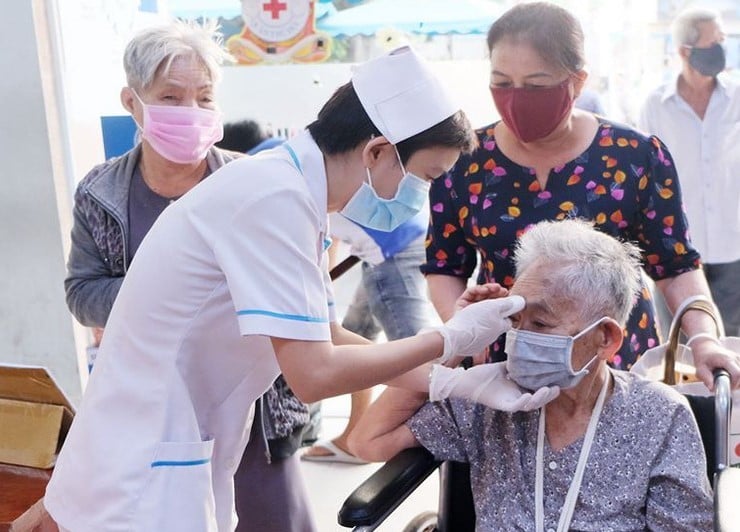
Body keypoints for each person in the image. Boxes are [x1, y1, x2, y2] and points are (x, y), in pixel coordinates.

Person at [44, 45, 559, 531]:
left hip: (167, 445)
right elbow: (313, 374)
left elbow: (326, 333)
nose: (419, 196)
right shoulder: (275, 197)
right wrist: (451, 339)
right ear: (378, 151)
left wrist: (450, 381)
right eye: (425, 176)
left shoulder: (291, 191)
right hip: (142, 466)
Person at [59, 20, 319, 532]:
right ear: (133, 103)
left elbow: (298, 293)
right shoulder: (102, 192)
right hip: (149, 411)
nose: (191, 112)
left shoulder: (254, 184)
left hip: (254, 411)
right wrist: (167, 298)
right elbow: (82, 291)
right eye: (171, 97)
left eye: (203, 97)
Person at [422, 2, 740, 389]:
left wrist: (704, 339)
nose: (516, 98)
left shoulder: (634, 156)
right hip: (505, 364)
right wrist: (464, 331)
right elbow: (444, 267)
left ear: (577, 81)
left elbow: (675, 267)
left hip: (615, 368)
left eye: (536, 85)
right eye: (502, 83)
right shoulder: (465, 162)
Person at [350, 218, 713, 531]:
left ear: (605, 338)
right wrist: (454, 344)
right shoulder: (486, 399)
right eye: (515, 320)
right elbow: (368, 440)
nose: (520, 338)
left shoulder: (658, 416)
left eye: (540, 323)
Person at [302, 208, 438, 463]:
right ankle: (352, 435)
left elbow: (323, 236)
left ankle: (438, 464)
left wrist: (323, 284)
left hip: (393, 250)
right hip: (393, 243)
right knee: (355, 335)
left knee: (418, 358)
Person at [638, 8, 740, 337]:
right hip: (676, 253)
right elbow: (646, 180)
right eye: (715, 42)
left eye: (723, 40)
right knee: (681, 348)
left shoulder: (737, 98)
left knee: (734, 346)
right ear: (685, 51)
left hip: (733, 245)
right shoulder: (656, 106)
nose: (722, 48)